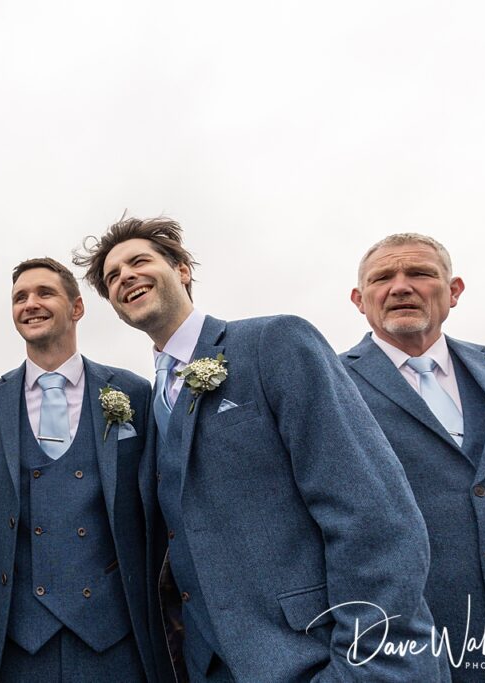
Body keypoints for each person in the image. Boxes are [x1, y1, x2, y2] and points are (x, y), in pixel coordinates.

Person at [74, 218, 447, 682]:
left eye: (139, 261)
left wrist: (368, 664)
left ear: (183, 269)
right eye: (112, 277)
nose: (125, 276)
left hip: (312, 658)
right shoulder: (149, 401)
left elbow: (372, 513)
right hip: (206, 664)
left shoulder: (273, 342)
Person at [342, 233, 485, 682]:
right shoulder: (329, 387)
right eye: (382, 278)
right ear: (359, 300)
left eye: (420, 273)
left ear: (454, 290)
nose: (400, 286)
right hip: (423, 640)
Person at [0, 258, 157, 682]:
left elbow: (157, 503)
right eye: (19, 298)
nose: (30, 304)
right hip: (16, 642)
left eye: (44, 293)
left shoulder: (133, 392)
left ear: (77, 308)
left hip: (116, 639)